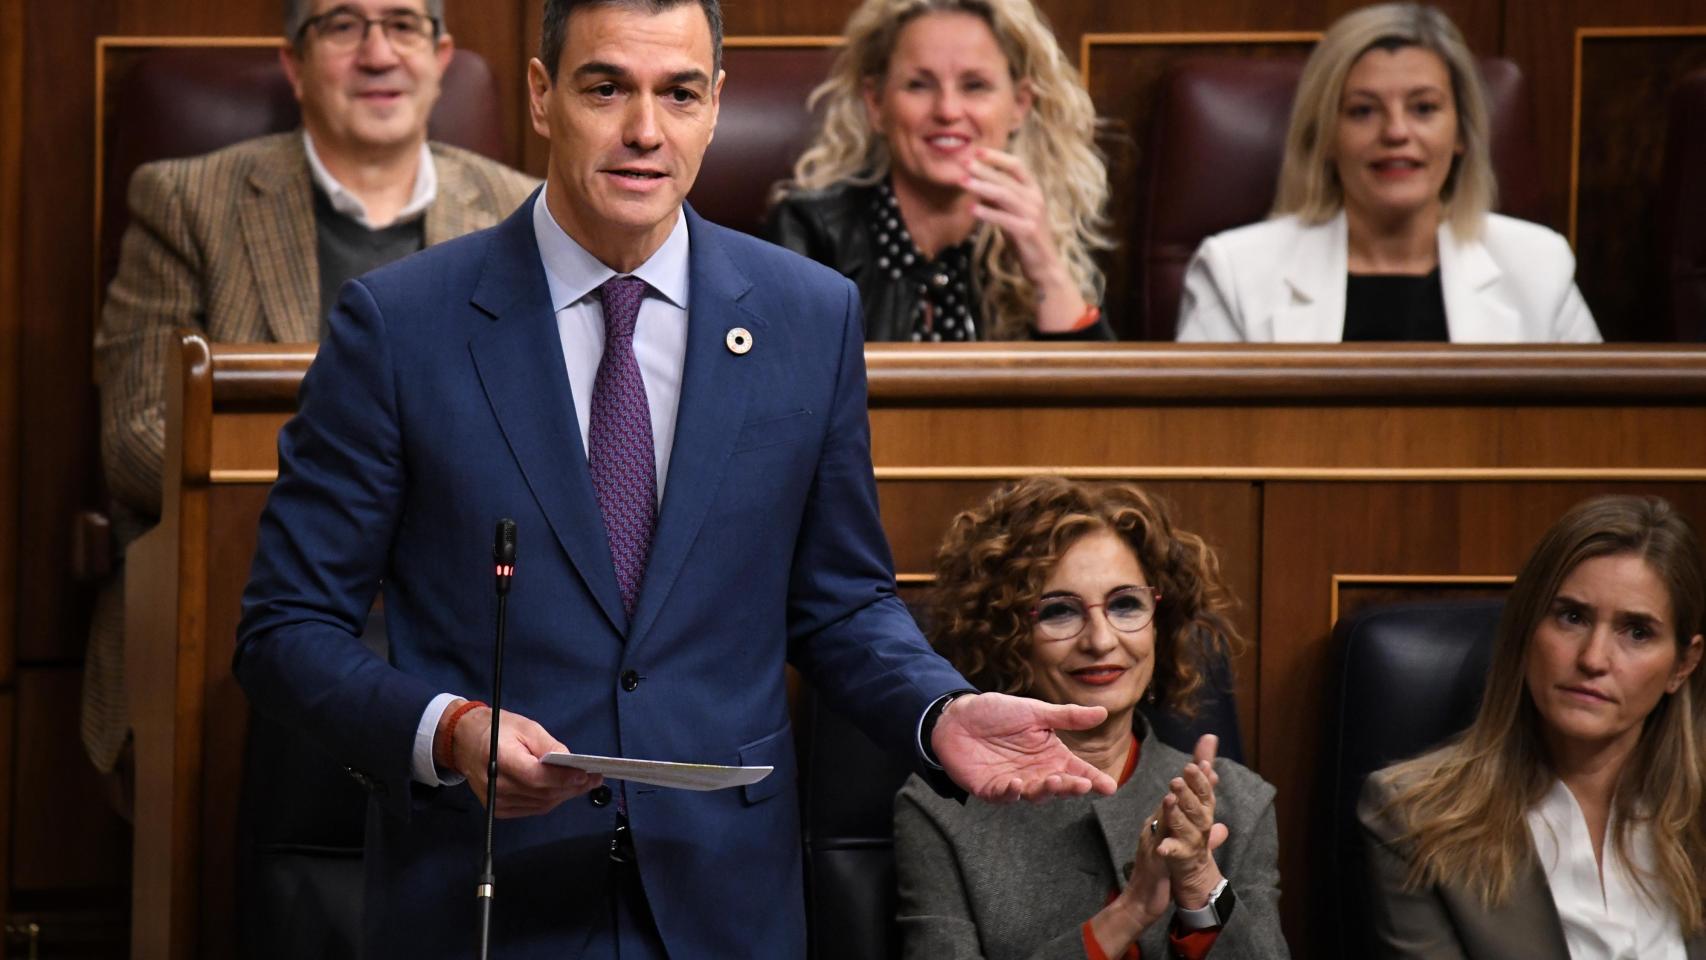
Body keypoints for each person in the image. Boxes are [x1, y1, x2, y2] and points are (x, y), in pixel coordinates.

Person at [234, 1, 1122, 955]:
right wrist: (447, 729)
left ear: (715, 105)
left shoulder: (808, 316)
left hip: (725, 900)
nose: (644, 130)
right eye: (606, 87)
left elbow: (841, 603)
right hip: (488, 894)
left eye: (679, 93)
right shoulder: (400, 325)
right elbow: (286, 630)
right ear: (542, 95)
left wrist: (938, 709)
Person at [85, 0, 537, 786]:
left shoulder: (522, 214)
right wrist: (357, 499)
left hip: (468, 622)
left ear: (441, 57)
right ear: (294, 63)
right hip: (226, 603)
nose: (377, 53)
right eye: (342, 26)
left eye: (402, 25)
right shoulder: (189, 202)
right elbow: (135, 436)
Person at [896, 477, 1288, 959]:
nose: (1100, 640)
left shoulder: (1240, 802)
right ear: (1007, 635)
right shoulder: (940, 812)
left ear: (1159, 627)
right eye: (1059, 611)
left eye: (1126, 604)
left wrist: (1200, 883)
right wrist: (1129, 913)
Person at [1360, 495, 1706, 958]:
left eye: (1637, 632)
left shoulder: (1697, 818)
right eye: (1572, 617)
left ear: (1683, 665)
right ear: (1526, 629)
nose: (1593, 659)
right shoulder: (1414, 821)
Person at [1175, 3, 1600, 343]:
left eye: (1424, 108)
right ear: (1325, 136)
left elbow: (1586, 438)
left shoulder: (1539, 267)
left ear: (1462, 133)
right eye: (1363, 111)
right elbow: (1203, 442)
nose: (1396, 131)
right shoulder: (1235, 271)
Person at [765, 0, 1114, 342]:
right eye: (919, 84)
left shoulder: (1059, 226)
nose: (947, 110)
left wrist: (1046, 270)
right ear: (876, 103)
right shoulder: (810, 231)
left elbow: (1100, 397)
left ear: (1019, 105)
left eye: (974, 85)